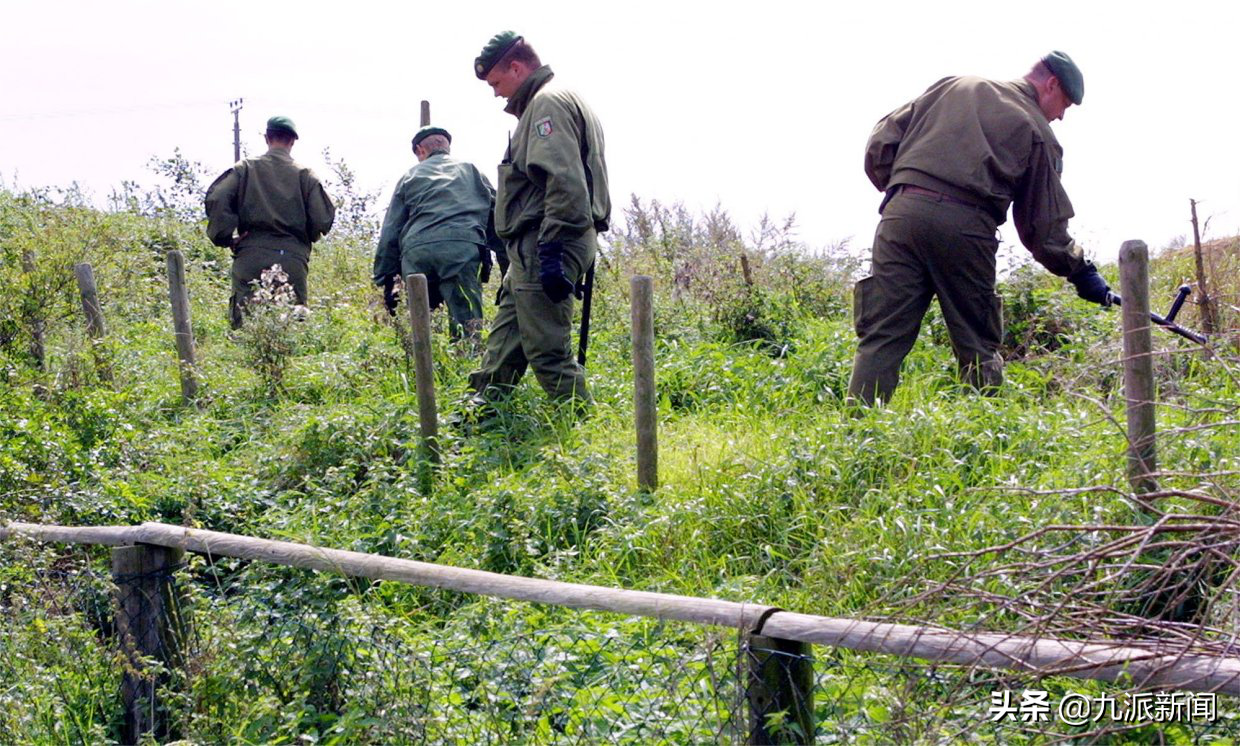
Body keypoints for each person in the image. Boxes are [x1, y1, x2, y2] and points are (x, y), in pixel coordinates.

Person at [848, 51, 1112, 405]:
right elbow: (1043, 227)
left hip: (900, 217)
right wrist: (1080, 271)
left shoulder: (954, 85)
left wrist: (906, 193)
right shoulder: (1036, 130)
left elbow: (880, 144)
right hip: (965, 227)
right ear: (1051, 84)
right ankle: (986, 434)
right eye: (1064, 104)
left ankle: (857, 434)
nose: (1061, 116)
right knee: (977, 343)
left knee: (881, 337)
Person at [465, 31, 611, 410]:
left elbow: (564, 182)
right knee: (503, 349)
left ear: (517, 67)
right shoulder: (555, 100)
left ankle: (584, 432)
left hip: (548, 240)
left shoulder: (546, 105)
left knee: (548, 354)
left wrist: (550, 250)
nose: (496, 93)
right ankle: (475, 422)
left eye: (496, 82)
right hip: (538, 244)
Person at [373, 125, 501, 346]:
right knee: (467, 324)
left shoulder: (409, 176)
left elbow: (391, 229)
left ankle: (422, 369)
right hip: (461, 251)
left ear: (420, 150)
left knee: (420, 323)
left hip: (417, 253)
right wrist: (509, 262)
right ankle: (465, 368)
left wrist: (385, 278)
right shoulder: (472, 171)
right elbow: (499, 218)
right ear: (447, 147)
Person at [205, 116, 335, 329]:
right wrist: (303, 239)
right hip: (292, 258)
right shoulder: (306, 175)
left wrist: (225, 237)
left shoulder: (245, 168)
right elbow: (322, 219)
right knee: (293, 328)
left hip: (251, 256)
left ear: (267, 138)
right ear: (292, 141)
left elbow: (218, 197)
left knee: (246, 328)